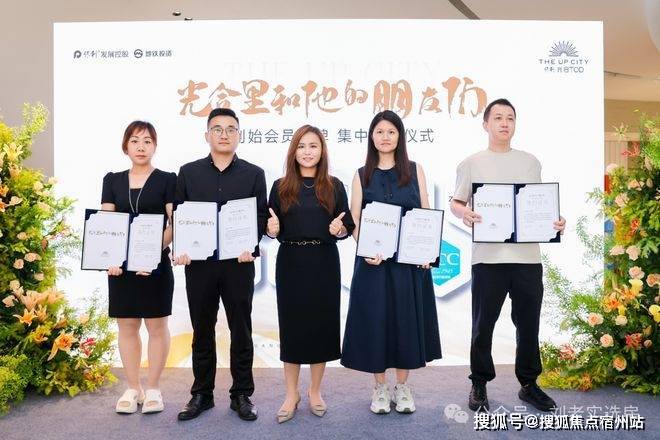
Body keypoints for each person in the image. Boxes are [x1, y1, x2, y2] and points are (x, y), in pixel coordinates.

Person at [450, 98, 566, 412]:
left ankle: (529, 384)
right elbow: (456, 202)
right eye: (498, 117)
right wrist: (465, 213)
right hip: (488, 258)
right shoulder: (471, 163)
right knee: (483, 325)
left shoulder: (530, 162)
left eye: (510, 118)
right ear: (485, 124)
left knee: (528, 324)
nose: (505, 123)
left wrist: (555, 221)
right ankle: (479, 383)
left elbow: (539, 204)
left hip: (527, 258)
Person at [341, 110, 442, 414]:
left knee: (405, 322)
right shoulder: (361, 174)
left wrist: (428, 252)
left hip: (408, 264)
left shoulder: (414, 169)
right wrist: (366, 249)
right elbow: (355, 218)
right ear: (371, 137)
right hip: (373, 264)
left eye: (391, 132)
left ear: (400, 136)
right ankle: (380, 387)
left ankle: (402, 386)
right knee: (376, 322)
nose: (385, 137)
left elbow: (426, 211)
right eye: (379, 132)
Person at [174, 107, 267, 422]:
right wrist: (181, 248)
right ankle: (202, 393)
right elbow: (180, 214)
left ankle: (241, 394)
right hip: (199, 264)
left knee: (241, 328)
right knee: (201, 328)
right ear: (207, 135)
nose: (224, 134)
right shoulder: (188, 173)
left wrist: (250, 245)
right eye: (217, 129)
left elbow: (259, 217)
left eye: (230, 129)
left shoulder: (254, 174)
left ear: (239, 135)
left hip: (238, 264)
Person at [267, 125, 355, 423]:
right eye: (302, 146)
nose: (307, 152)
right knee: (292, 328)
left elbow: (347, 224)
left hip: (324, 262)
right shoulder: (280, 186)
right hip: (291, 262)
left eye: (313, 146)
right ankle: (291, 393)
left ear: (322, 151)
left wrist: (339, 229)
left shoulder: (334, 185)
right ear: (294, 151)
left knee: (321, 326)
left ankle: (315, 391)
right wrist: (271, 229)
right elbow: (269, 224)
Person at [101, 120, 176, 414]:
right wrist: (111, 257)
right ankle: (133, 388)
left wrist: (150, 253)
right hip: (121, 268)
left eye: (147, 141)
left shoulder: (168, 179)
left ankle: (154, 387)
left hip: (155, 264)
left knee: (157, 326)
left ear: (155, 146)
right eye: (135, 141)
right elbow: (108, 224)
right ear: (126, 146)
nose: (141, 147)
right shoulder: (112, 180)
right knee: (127, 325)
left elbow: (175, 223)